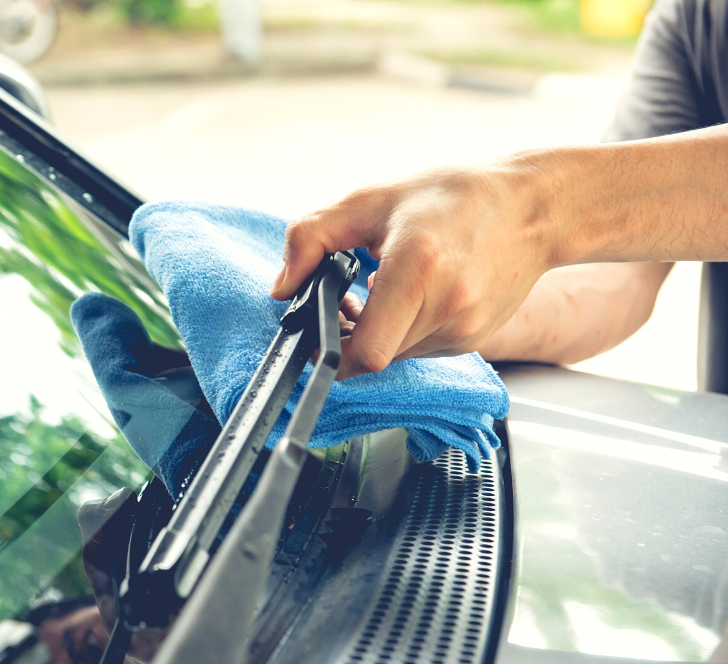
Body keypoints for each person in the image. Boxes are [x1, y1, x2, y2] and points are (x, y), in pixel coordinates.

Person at [270, 0, 728, 388]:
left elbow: (565, 220)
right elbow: (618, 276)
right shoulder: (694, 15)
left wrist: (534, 209)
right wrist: (442, 302)